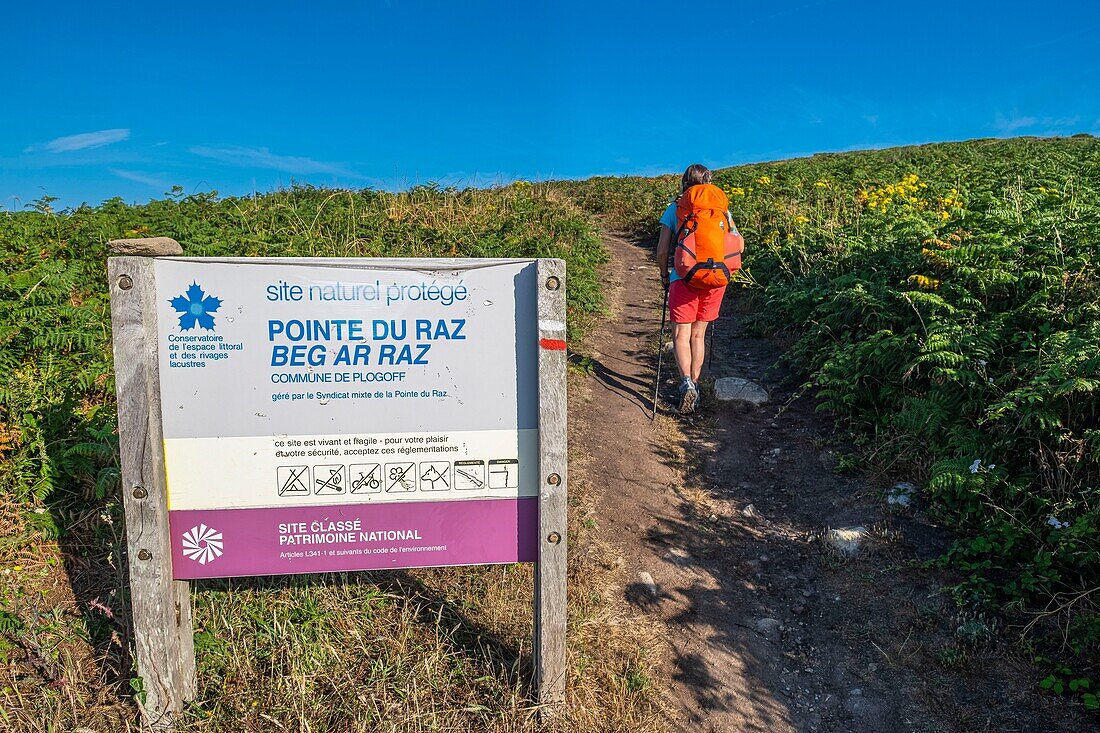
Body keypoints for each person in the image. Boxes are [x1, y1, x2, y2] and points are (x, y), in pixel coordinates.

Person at [655, 163, 728, 414]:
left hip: (684, 277)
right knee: (699, 336)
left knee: (681, 336)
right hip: (716, 278)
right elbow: (736, 244)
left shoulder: (675, 208)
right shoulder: (722, 210)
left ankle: (686, 383)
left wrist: (665, 276)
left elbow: (663, 250)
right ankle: (694, 388)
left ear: (684, 182)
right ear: (709, 181)